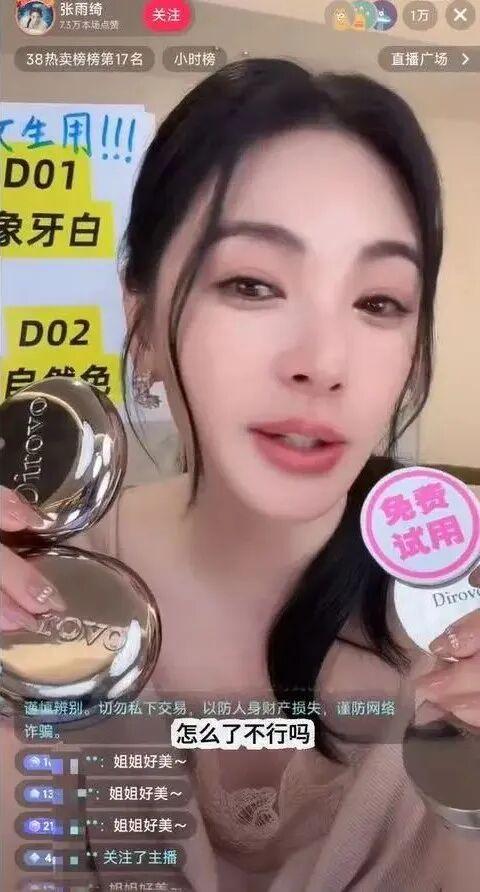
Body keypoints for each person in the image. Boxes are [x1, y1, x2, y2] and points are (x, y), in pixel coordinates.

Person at [1, 58, 480, 891]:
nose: (323, 363)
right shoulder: (39, 578)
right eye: (251, 284)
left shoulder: (461, 589)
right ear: (142, 320)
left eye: (379, 302)